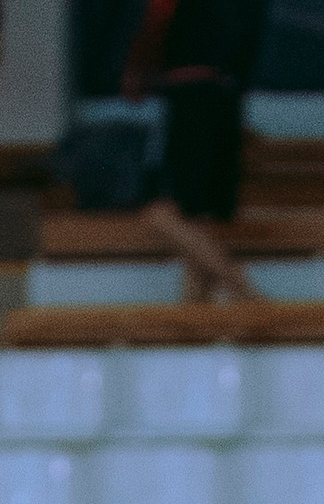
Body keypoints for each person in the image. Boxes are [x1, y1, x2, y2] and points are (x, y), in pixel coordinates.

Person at [123, 0, 263, 306]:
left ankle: (242, 289)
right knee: (198, 215)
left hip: (191, 97)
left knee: (161, 211)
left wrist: (136, 69)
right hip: (224, 98)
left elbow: (158, 18)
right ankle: (196, 305)